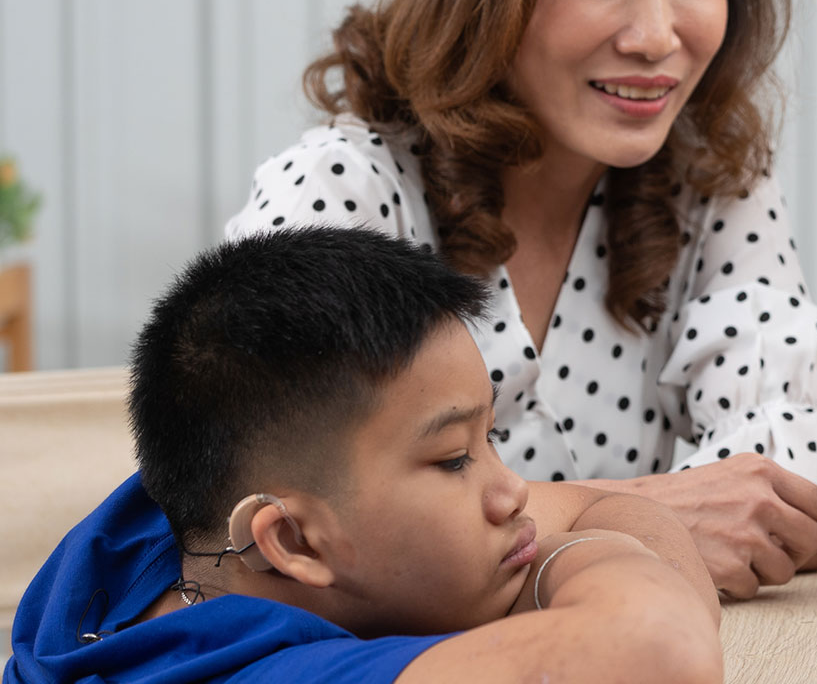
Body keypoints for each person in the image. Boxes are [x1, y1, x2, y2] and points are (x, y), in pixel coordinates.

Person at [226, 0, 817, 597]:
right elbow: (263, 533)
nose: (656, 37)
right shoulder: (343, 192)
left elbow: (786, 494)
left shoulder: (713, 186)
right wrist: (635, 518)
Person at [4, 227, 722, 684]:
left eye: (490, 438)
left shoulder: (161, 528)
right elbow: (662, 648)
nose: (512, 493)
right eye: (453, 459)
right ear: (292, 540)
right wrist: (586, 559)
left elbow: (596, 504)